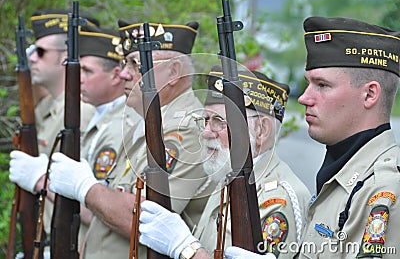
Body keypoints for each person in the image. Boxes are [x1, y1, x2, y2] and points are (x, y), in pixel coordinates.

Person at [224, 16, 400, 258]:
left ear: (369, 94)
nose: (305, 98)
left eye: (322, 85)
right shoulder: (340, 174)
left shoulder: (384, 188)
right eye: (308, 84)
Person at [47, 21, 217, 258]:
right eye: (124, 63)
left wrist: (85, 188)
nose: (125, 74)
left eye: (136, 64)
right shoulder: (147, 123)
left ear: (174, 72)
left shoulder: (187, 130)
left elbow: (146, 219)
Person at [138, 66, 311, 259]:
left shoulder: (280, 198)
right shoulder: (227, 176)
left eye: (219, 122)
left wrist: (186, 249)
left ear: (261, 130)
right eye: (205, 120)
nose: (205, 132)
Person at [8, 9, 99, 257]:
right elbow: (33, 99)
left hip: (72, 243)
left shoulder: (84, 113)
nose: (33, 59)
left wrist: (40, 179)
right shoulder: (49, 107)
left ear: (65, 57)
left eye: (40, 52)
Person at [77, 24, 142, 250]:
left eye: (87, 71)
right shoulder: (103, 117)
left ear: (115, 76)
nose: (79, 78)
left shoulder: (121, 125)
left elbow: (101, 210)